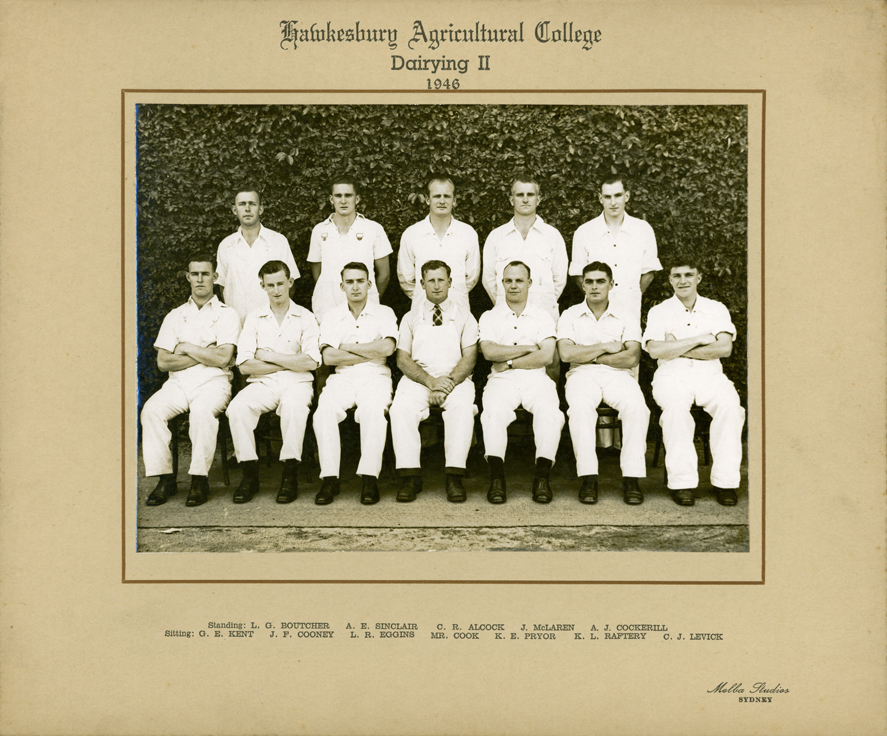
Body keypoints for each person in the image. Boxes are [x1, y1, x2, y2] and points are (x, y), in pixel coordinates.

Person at [643, 256, 745, 507]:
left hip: (710, 374)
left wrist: (675, 345)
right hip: (671, 375)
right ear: (669, 280)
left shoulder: (716, 308)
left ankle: (725, 483)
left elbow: (724, 349)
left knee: (731, 409)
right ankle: (683, 483)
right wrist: (701, 338)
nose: (683, 280)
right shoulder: (659, 311)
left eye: (689, 275)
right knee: (676, 411)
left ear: (698, 278)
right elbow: (655, 351)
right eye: (677, 276)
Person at [141, 252, 241, 507]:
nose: (200, 280)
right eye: (194, 274)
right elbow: (163, 362)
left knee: (201, 412)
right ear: (188, 277)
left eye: (205, 274)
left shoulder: (227, 314)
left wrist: (185, 347)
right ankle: (165, 479)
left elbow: (223, 358)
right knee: (151, 410)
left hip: (214, 382)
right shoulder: (175, 315)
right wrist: (205, 352)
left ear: (215, 277)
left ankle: (199, 479)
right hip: (177, 383)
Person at [225, 260, 320, 505]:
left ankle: (290, 475)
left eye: (280, 283)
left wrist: (269, 356)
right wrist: (288, 361)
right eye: (270, 285)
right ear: (263, 286)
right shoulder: (254, 318)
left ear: (290, 282)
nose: (276, 290)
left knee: (294, 408)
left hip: (297, 382)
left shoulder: (305, 317)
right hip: (262, 384)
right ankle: (249, 474)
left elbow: (310, 361)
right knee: (237, 408)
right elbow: (245, 365)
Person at [557, 262, 650, 505]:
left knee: (637, 408)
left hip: (618, 374)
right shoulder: (569, 314)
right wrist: (606, 346)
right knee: (579, 409)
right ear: (583, 285)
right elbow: (566, 355)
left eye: (600, 281)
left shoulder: (626, 315)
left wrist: (592, 354)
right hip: (581, 374)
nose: (595, 286)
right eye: (589, 281)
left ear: (611, 284)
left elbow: (632, 356)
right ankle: (588, 477)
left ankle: (631, 478)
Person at [390, 260, 479, 503]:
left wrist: (448, 382)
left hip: (455, 379)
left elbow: (470, 357)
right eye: (431, 280)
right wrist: (430, 381)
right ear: (422, 284)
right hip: (418, 379)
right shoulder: (410, 318)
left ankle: (454, 476)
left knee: (461, 409)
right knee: (400, 410)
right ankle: (410, 476)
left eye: (441, 280)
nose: (437, 285)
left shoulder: (465, 317)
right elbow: (402, 359)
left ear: (450, 283)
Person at [479, 261, 565, 504]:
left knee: (550, 412)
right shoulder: (490, 316)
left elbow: (546, 356)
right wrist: (528, 348)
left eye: (519, 280)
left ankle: (542, 477)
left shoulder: (542, 316)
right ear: (502, 283)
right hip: (501, 381)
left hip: (536, 377)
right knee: (493, 413)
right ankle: (497, 478)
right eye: (508, 280)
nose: (513, 285)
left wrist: (508, 361)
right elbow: (488, 352)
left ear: (529, 283)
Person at [312, 262, 398, 505]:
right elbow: (328, 357)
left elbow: (388, 348)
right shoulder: (332, 316)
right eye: (349, 282)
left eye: (360, 281)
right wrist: (369, 350)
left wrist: (347, 347)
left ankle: (369, 478)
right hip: (343, 377)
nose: (355, 286)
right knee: (324, 412)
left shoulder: (385, 313)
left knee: (372, 412)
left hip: (375, 376)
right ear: (342, 286)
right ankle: (330, 479)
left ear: (369, 284)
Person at [569, 175, 661, 325]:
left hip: (630, 309)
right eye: (607, 196)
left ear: (627, 196)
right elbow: (578, 274)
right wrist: (596, 297)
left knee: (629, 348)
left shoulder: (643, 230)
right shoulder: (584, 232)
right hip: (595, 312)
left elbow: (649, 272)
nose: (613, 202)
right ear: (600, 198)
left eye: (618, 195)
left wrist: (632, 295)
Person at [482, 174, 568, 322]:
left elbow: (559, 279)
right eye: (520, 195)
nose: (525, 199)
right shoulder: (496, 236)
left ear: (538, 200)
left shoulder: (552, 235)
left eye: (530, 194)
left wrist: (543, 301)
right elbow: (489, 279)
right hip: (505, 317)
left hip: (544, 317)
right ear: (511, 200)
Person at [307, 175, 392, 323]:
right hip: (327, 308)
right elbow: (318, 273)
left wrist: (367, 297)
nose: (343, 200)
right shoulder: (319, 230)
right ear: (331, 199)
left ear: (357, 199)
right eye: (338, 196)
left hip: (365, 310)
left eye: (348, 195)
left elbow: (384, 275)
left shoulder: (374, 229)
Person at [397, 175, 480, 313]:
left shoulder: (468, 233)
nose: (442, 201)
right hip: (422, 313)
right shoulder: (411, 234)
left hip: (459, 312)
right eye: (437, 196)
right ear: (428, 200)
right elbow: (406, 279)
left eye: (447, 196)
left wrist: (452, 295)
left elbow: (471, 277)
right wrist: (427, 298)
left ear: (454, 201)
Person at [216, 187, 299, 324]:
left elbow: (290, 285)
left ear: (260, 209)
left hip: (270, 324)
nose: (247, 209)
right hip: (236, 325)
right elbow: (223, 286)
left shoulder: (278, 241)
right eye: (242, 204)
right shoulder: (226, 245)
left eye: (252, 204)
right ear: (234, 209)